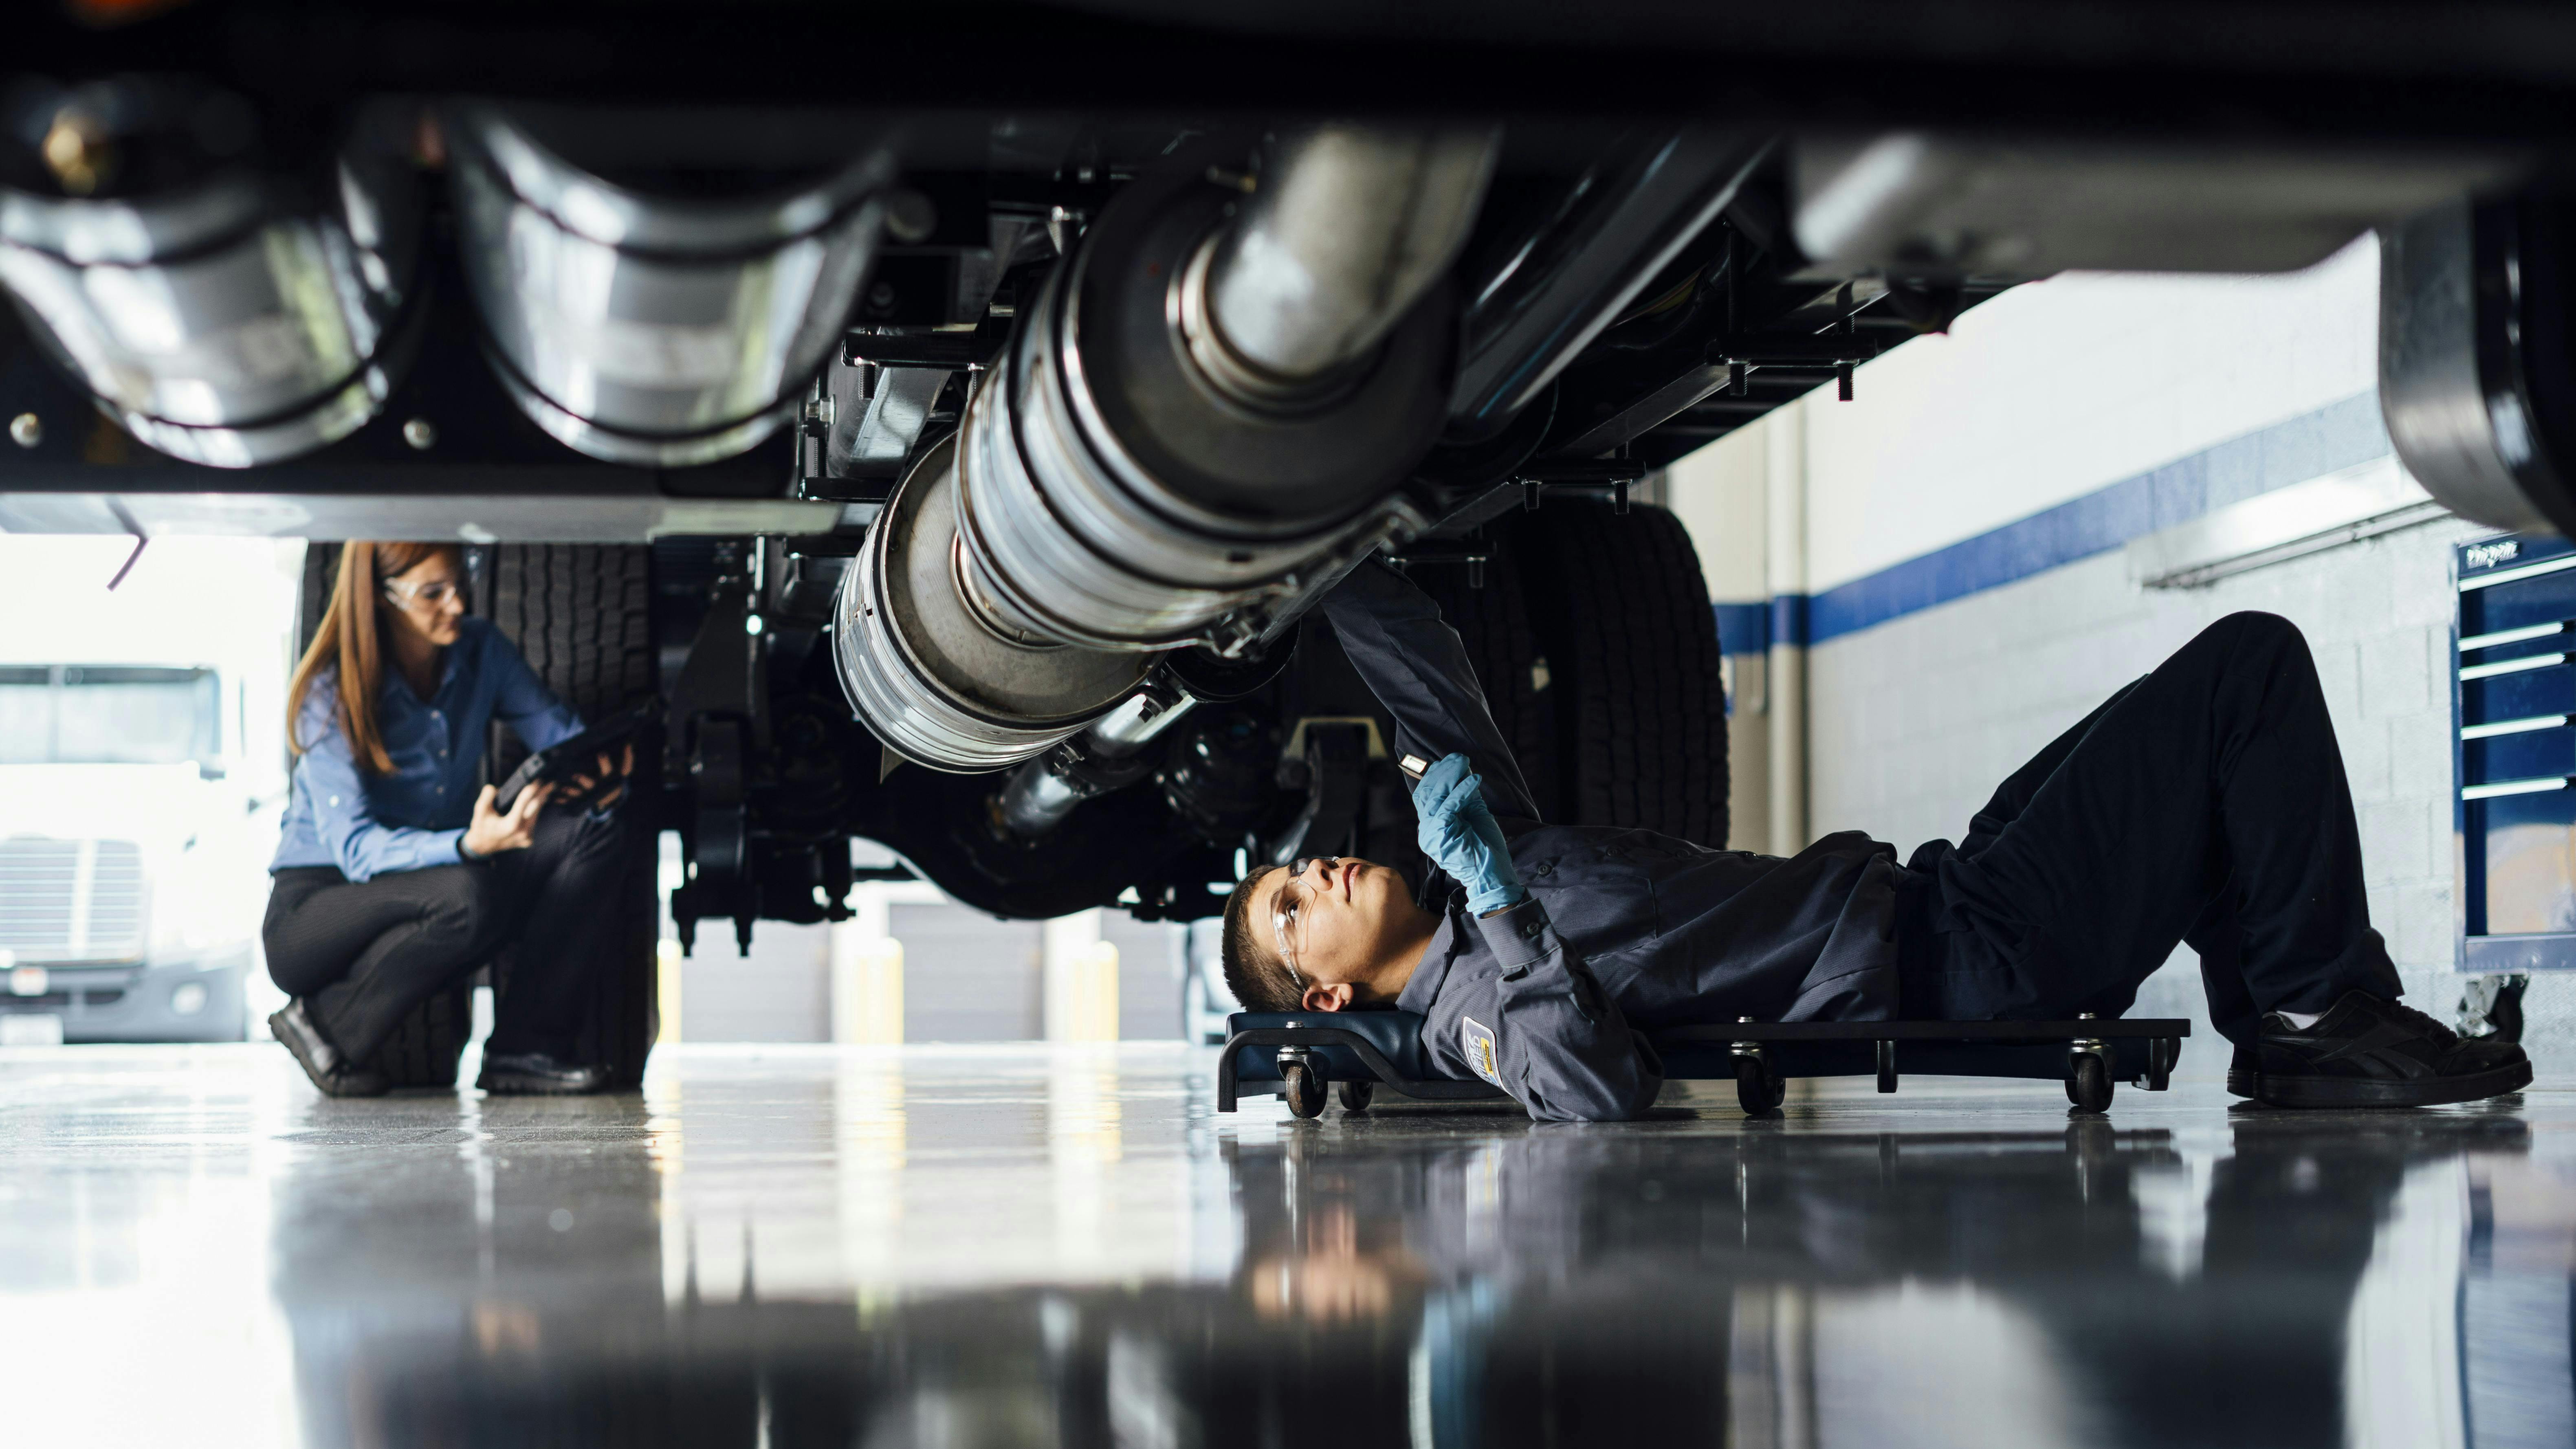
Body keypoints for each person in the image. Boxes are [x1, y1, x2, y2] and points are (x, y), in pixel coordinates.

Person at [1219, 559, 2533, 1121]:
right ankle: (2312, 1012)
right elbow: (1589, 1091)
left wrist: (1328, 565)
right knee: (2245, 667)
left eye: (1296, 864)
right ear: (1326, 993)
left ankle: (2293, 1024)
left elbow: (1434, 693)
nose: (1318, 870)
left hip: (1941, 890)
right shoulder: (1466, 1005)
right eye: (1292, 907)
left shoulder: (1468, 874)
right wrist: (1500, 904)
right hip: (1973, 956)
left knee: (2171, 761)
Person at [262, 541, 635, 1098]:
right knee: (466, 892)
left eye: (461, 582)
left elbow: (556, 734)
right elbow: (358, 851)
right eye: (432, 593)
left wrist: (598, 765)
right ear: (383, 600)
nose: (458, 603)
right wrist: (468, 843)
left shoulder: (481, 650)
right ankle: (322, 1025)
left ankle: (523, 1048)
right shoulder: (330, 691)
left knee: (593, 828)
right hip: (316, 911)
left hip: (437, 878)